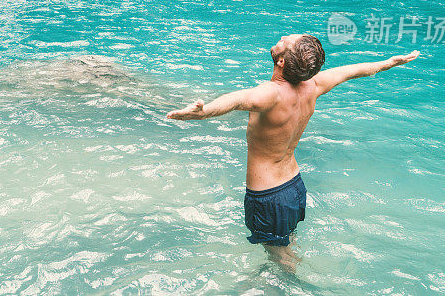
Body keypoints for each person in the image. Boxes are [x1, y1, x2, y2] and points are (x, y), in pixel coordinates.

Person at [166, 34, 419, 263]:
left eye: (286, 42)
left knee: (280, 260)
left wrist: (204, 112)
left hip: (268, 195)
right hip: (294, 187)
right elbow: (352, 71)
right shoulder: (313, 86)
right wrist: (388, 62)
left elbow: (237, 100)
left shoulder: (271, 93)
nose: (283, 37)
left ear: (282, 62)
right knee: (286, 245)